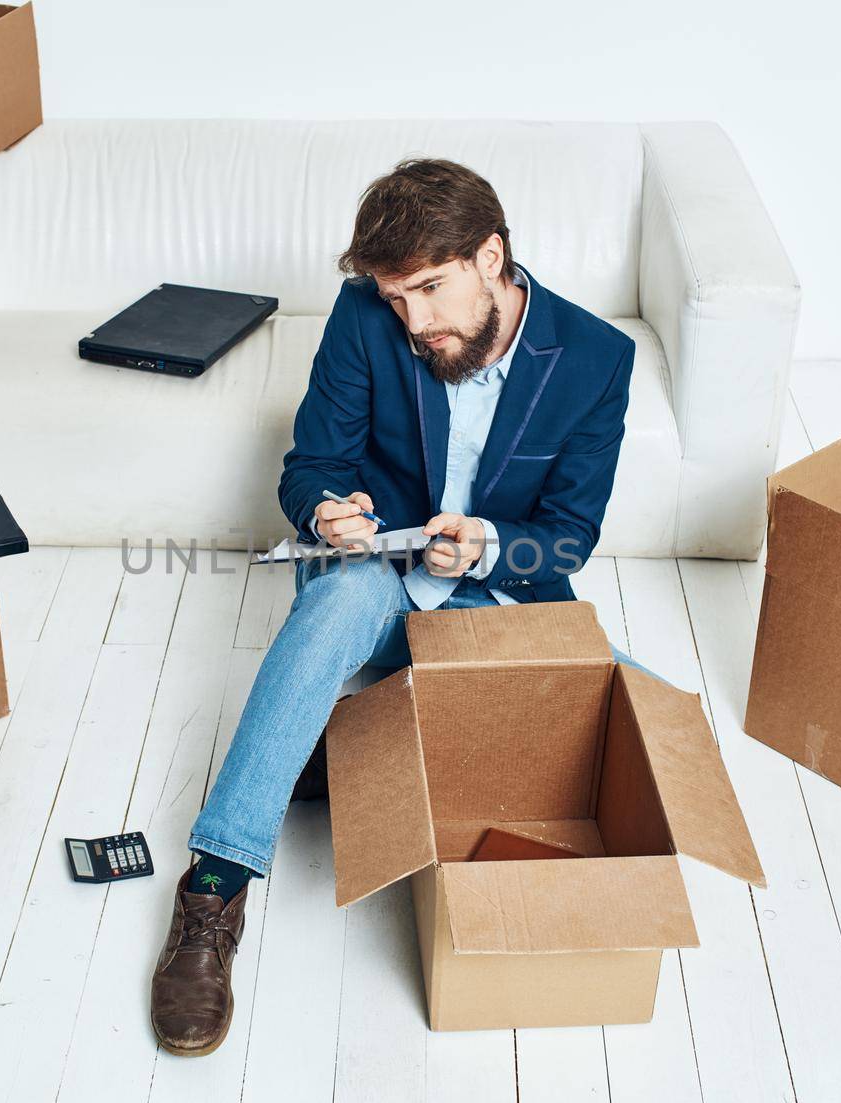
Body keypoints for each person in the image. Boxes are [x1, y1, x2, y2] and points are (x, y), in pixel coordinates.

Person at [150, 158, 639, 1056]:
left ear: (491, 256)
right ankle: (212, 891)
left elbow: (567, 536)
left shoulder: (599, 360)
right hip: (376, 577)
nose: (412, 321)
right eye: (393, 295)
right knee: (337, 609)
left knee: (636, 697)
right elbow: (310, 466)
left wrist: (488, 540)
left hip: (491, 592)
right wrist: (327, 509)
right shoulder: (365, 319)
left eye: (429, 289)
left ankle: (336, 748)